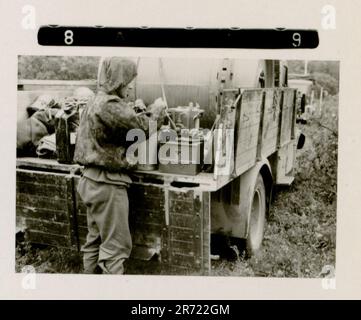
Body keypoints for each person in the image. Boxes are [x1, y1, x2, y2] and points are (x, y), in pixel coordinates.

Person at [74, 57, 165, 274]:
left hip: (90, 181)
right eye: (129, 80)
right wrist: (158, 111)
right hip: (108, 185)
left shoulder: (95, 101)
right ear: (118, 80)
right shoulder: (110, 105)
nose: (131, 85)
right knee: (116, 248)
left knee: (94, 242)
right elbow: (140, 129)